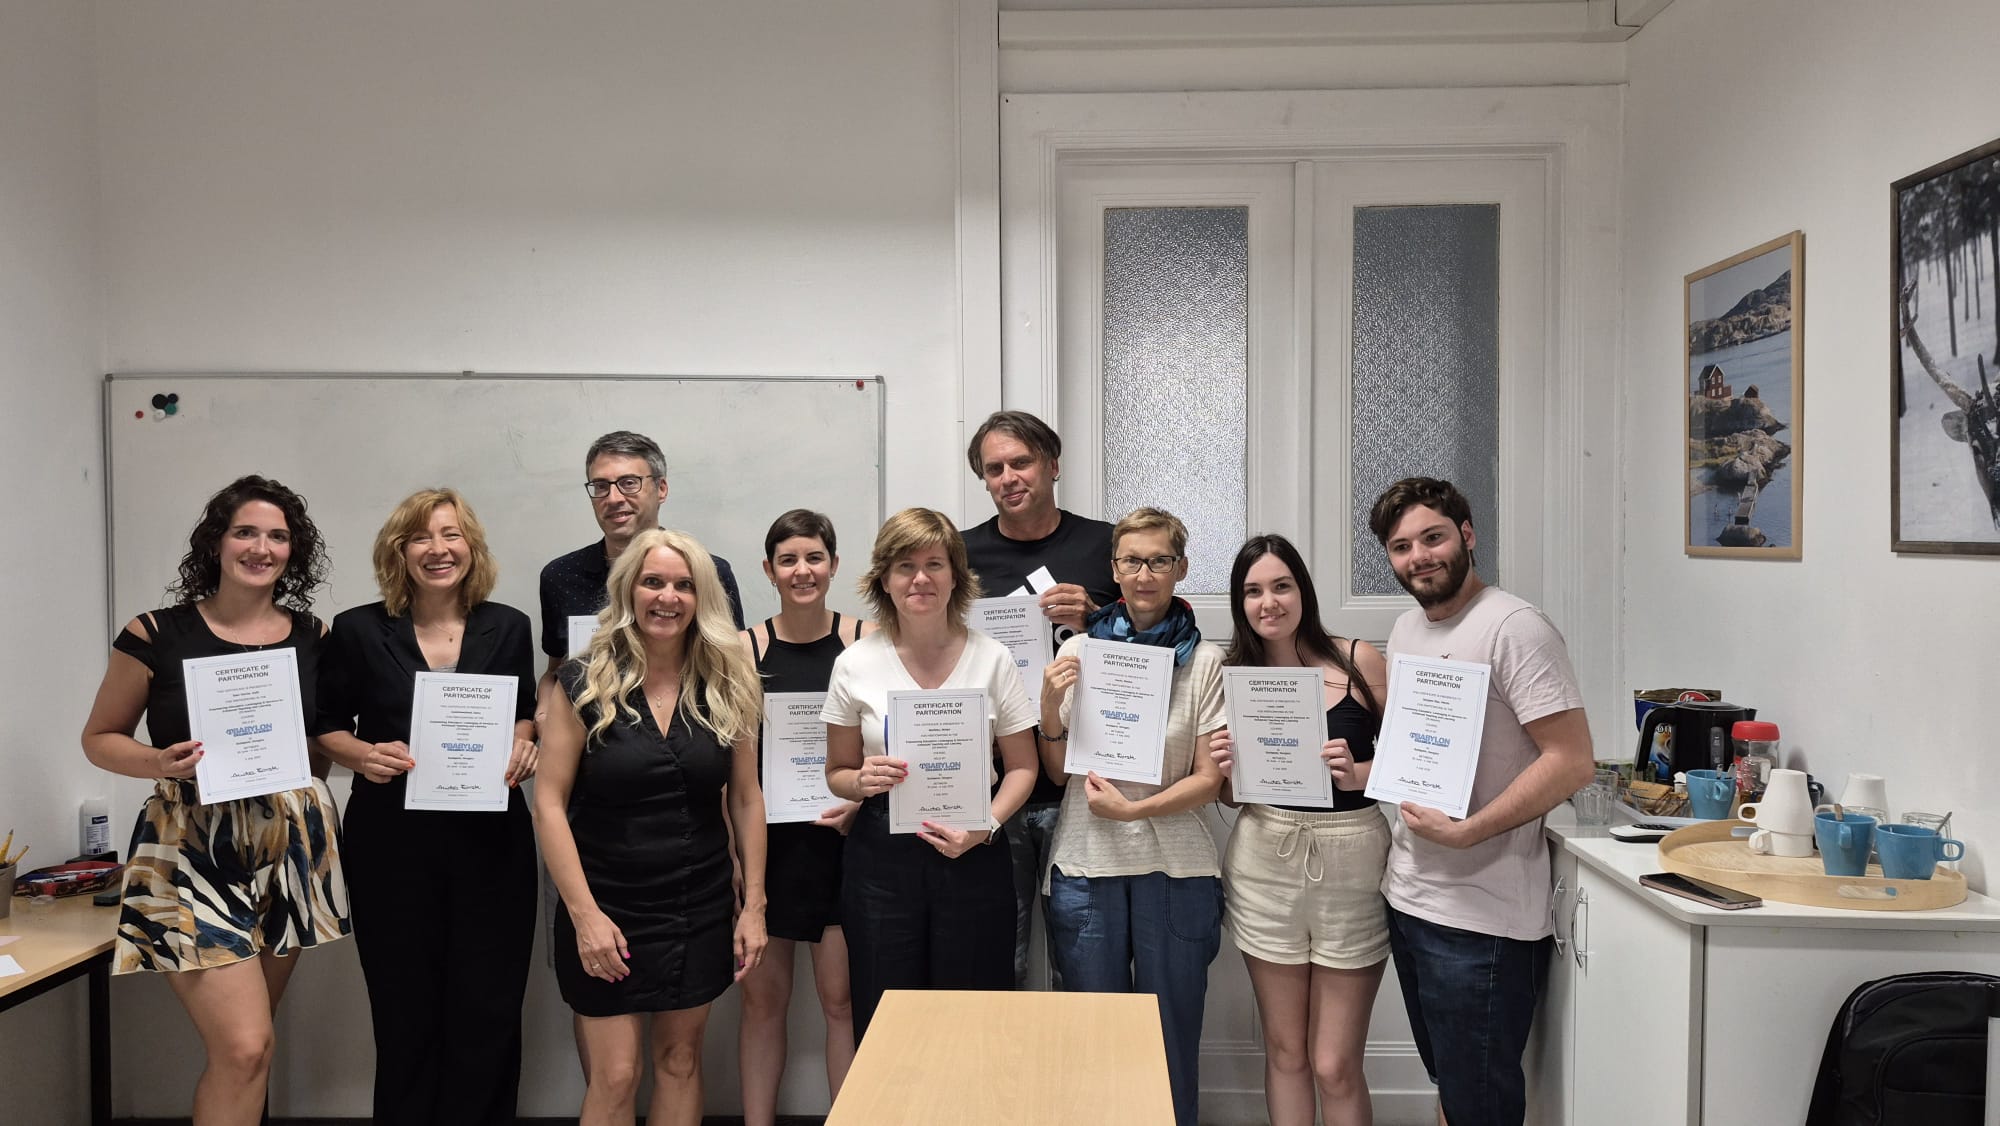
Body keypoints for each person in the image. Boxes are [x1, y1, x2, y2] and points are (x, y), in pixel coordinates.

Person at [80, 475, 351, 1126]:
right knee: (245, 1047)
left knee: (253, 1050)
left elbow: (318, 740)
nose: (261, 547)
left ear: (293, 550)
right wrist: (157, 762)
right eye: (245, 532)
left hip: (288, 845)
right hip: (191, 847)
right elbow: (99, 738)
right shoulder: (155, 632)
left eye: (278, 536)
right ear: (216, 542)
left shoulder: (313, 635)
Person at [1367, 477, 1595, 1126]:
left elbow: (1571, 760)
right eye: (1402, 546)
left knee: (1481, 1105)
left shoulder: (1515, 628)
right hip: (1410, 896)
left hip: (1483, 919)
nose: (1419, 557)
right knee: (1453, 1086)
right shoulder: (1406, 629)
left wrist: (1470, 831)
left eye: (1433, 538)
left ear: (1467, 535)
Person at [313, 488, 539, 1126]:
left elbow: (523, 711)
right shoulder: (358, 628)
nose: (438, 549)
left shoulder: (509, 625)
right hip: (391, 843)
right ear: (399, 551)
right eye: (420, 537)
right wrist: (362, 755)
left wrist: (524, 742)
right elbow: (324, 725)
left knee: (489, 1006)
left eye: (451, 535)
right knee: (404, 1008)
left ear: (472, 547)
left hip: (492, 843)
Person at [533, 528, 769, 1126]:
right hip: (604, 903)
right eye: (653, 582)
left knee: (681, 1060)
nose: (668, 597)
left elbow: (746, 798)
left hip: (698, 901)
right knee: (615, 1075)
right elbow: (549, 804)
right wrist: (584, 917)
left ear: (702, 597)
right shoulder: (581, 681)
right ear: (628, 591)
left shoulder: (728, 681)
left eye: (684, 585)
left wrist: (754, 906)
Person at [1036, 506, 1225, 1126]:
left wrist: (1134, 808)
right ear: (1114, 569)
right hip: (1087, 862)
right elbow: (1058, 769)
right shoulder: (1080, 650)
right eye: (1132, 561)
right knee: (1097, 1040)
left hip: (1176, 868)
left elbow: (1209, 779)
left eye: (1159, 561)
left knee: (1170, 1040)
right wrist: (1050, 706)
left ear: (1181, 568)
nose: (1145, 575)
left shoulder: (1205, 661)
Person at [821, 508, 1040, 1041]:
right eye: (905, 566)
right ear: (884, 580)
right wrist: (860, 782)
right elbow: (837, 772)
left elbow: (1023, 767)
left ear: (956, 576)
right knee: (888, 1016)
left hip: (974, 850)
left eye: (934, 564)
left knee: (973, 1017)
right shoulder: (854, 663)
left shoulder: (993, 658)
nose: (920, 578)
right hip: (881, 860)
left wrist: (985, 826)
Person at [1207, 534, 1391, 1126]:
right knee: (1286, 1052)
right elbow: (1231, 797)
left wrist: (1359, 772)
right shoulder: (1235, 676)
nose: (1269, 602)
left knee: (1334, 1064)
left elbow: (1413, 763)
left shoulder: (1359, 660)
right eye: (1253, 591)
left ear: (1302, 591)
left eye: (1281, 586)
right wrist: (1228, 772)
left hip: (1354, 860)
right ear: (1240, 603)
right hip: (1266, 857)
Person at [960, 409, 1118, 990]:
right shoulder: (960, 554)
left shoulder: (1106, 545)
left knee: (1085, 966)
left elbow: (1159, 644)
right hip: (993, 784)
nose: (1008, 478)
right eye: (994, 468)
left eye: (1021, 462)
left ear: (1052, 465)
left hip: (1084, 785)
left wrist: (1097, 617)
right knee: (998, 961)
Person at [736, 510, 869, 1126]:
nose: (802, 571)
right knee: (763, 1006)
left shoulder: (866, 641)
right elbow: (732, 769)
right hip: (768, 850)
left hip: (844, 844)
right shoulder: (742, 650)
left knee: (841, 1003)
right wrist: (737, 859)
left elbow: (887, 744)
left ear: (834, 564)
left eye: (814, 557)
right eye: (788, 560)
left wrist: (859, 801)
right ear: (769, 570)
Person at [540, 430, 746, 698]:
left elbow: (732, 666)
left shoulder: (709, 572)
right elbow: (555, 670)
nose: (613, 498)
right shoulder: (560, 576)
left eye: (629, 483)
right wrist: (544, 709)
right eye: (601, 486)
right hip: (585, 721)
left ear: (661, 489)